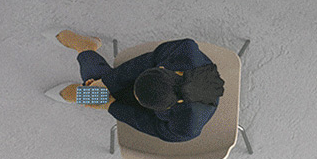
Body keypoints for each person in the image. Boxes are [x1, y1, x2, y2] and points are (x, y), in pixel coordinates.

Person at [54, 30, 223, 142]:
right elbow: (145, 62)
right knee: (99, 86)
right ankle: (85, 50)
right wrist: (107, 83)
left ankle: (86, 49)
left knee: (96, 91)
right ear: (163, 69)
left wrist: (111, 105)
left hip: (156, 110)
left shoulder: (186, 127)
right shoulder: (184, 49)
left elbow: (148, 124)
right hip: (153, 82)